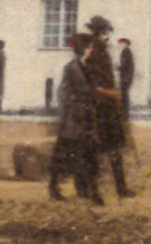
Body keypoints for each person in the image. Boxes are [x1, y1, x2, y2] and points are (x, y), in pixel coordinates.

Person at [83, 15, 134, 199]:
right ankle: (94, 190)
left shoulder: (103, 52)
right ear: (97, 34)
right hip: (100, 111)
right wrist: (111, 94)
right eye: (104, 33)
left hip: (109, 110)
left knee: (112, 150)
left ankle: (120, 188)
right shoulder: (95, 54)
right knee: (98, 152)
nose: (107, 37)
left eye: (107, 33)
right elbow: (93, 86)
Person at [49, 33, 103, 204]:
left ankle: (88, 191)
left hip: (85, 120)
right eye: (89, 48)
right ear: (83, 50)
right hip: (73, 122)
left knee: (87, 157)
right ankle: (55, 188)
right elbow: (63, 93)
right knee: (65, 159)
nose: (91, 51)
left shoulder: (86, 68)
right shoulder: (71, 68)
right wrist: (70, 114)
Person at [117, 38, 136, 110]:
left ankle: (124, 109)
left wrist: (117, 67)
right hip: (127, 76)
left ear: (126, 44)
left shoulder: (125, 52)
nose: (121, 45)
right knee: (124, 93)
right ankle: (124, 109)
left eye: (122, 43)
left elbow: (124, 65)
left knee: (124, 93)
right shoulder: (128, 52)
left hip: (125, 77)